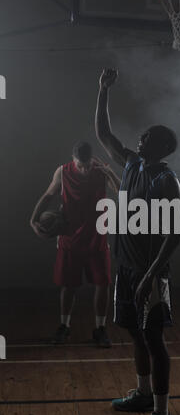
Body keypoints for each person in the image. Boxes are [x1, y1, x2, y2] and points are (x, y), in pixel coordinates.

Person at [95, 68, 180, 415]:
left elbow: (176, 233)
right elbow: (103, 134)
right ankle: (143, 394)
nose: (140, 138)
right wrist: (102, 91)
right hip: (127, 268)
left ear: (162, 147)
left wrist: (150, 276)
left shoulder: (167, 180)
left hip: (151, 274)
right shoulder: (131, 164)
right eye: (142, 135)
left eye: (148, 137)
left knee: (154, 339)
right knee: (134, 333)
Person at [30, 141, 120, 347]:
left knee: (103, 284)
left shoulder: (100, 171)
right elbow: (48, 195)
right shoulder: (62, 172)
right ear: (73, 160)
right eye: (80, 165)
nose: (84, 169)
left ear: (92, 161)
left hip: (97, 237)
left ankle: (100, 328)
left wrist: (110, 173)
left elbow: (121, 191)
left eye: (87, 165)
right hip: (70, 238)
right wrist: (32, 219)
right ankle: (64, 326)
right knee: (68, 286)